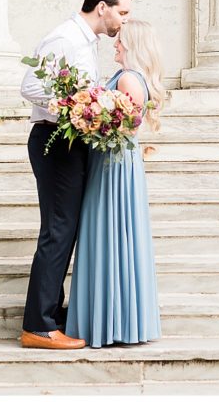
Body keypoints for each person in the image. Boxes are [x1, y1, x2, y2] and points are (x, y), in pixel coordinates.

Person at [18, 0, 134, 350]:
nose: (125, 20)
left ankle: (52, 312)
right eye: (123, 11)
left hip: (72, 144)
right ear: (103, 6)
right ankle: (38, 325)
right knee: (58, 229)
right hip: (55, 144)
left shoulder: (86, 42)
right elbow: (30, 86)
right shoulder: (66, 38)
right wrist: (77, 105)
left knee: (66, 230)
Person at [65, 19, 165, 348]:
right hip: (111, 164)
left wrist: (87, 120)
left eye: (121, 41)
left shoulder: (128, 79)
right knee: (107, 236)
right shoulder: (128, 78)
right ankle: (109, 318)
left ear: (134, 45)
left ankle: (111, 322)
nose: (115, 45)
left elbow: (122, 130)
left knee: (110, 234)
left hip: (114, 167)